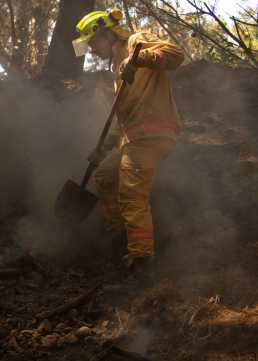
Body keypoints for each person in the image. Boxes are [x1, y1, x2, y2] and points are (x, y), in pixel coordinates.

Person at [72, 9, 185, 288]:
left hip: (153, 133)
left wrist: (143, 57)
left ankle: (141, 264)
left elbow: (176, 55)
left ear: (109, 33)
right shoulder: (117, 68)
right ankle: (120, 237)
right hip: (134, 138)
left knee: (131, 192)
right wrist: (106, 145)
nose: (91, 50)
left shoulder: (136, 42)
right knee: (104, 176)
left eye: (93, 42)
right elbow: (123, 118)